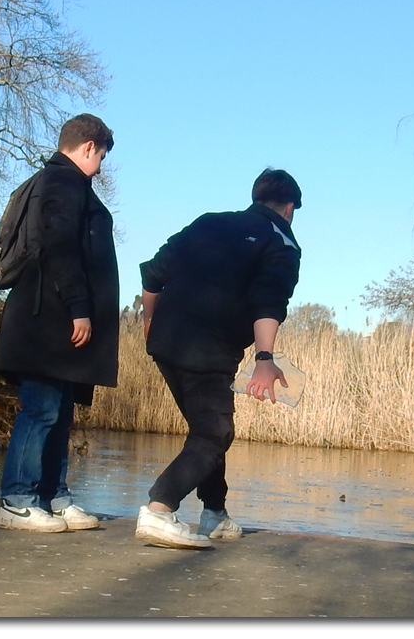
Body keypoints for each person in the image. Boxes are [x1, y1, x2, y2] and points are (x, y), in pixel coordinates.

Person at [135, 168, 302, 549]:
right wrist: (264, 357)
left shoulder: (209, 223)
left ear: (255, 197)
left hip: (165, 340)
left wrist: (148, 321)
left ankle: (214, 513)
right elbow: (269, 301)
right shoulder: (283, 243)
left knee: (206, 427)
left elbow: (153, 273)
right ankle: (159, 510)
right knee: (215, 433)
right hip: (208, 347)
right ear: (290, 207)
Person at [0, 114, 119, 532]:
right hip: (46, 321)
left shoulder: (63, 182)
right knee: (41, 409)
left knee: (60, 411)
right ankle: (17, 499)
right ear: (88, 148)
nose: (100, 166)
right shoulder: (63, 183)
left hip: (53, 319)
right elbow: (61, 246)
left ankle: (53, 495)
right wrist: (80, 306)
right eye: (100, 156)